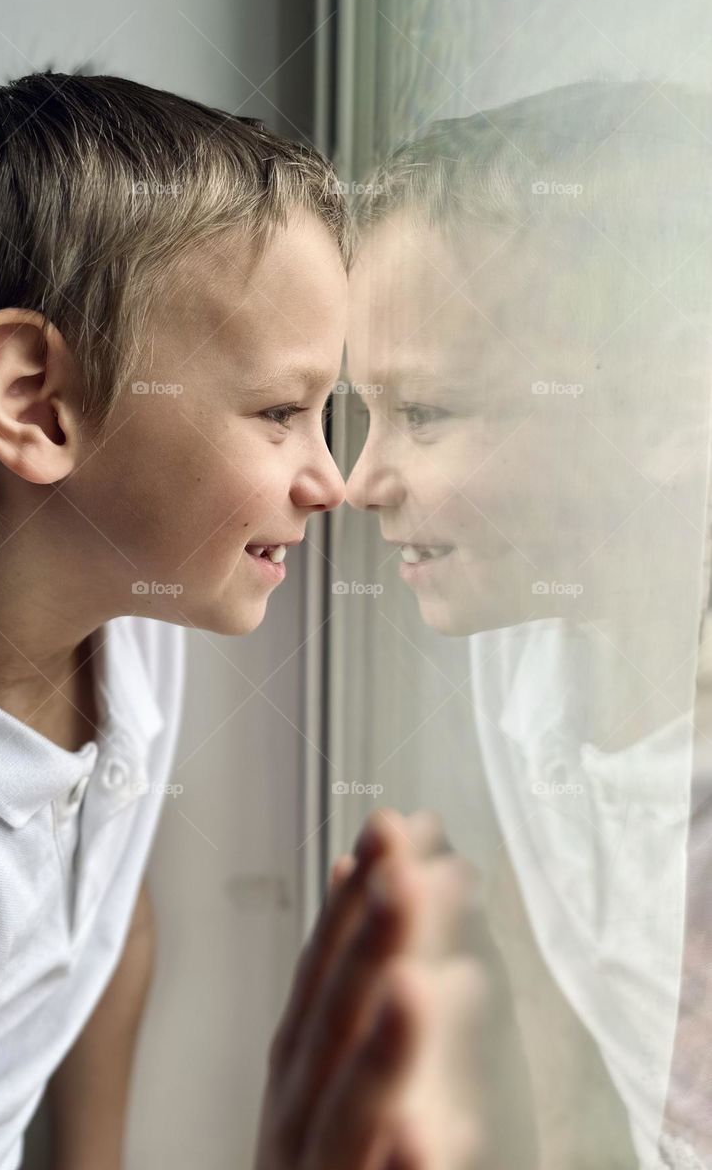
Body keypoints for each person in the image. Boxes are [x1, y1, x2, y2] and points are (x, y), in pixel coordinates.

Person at [0, 68, 503, 1170]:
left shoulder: (134, 606)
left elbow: (108, 928)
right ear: (35, 402)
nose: (330, 479)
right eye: (277, 412)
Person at [344, 79, 712, 1167]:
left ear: (669, 406)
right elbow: (549, 942)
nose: (359, 478)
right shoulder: (524, 627)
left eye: (426, 412)